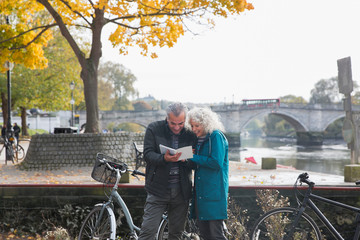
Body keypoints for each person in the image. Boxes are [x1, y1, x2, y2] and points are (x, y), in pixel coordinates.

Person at [138, 102, 197, 240]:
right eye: (172, 123)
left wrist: (187, 159)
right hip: (157, 189)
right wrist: (164, 159)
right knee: (147, 232)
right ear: (166, 118)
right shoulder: (154, 128)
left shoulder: (191, 133)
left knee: (176, 235)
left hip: (181, 191)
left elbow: (196, 163)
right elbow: (147, 154)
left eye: (180, 123)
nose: (177, 127)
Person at [185, 107, 229, 240]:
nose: (193, 129)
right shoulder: (201, 138)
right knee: (205, 234)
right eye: (192, 125)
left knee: (216, 235)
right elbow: (199, 162)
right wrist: (185, 157)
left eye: (197, 125)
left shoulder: (216, 136)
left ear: (205, 124)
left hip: (214, 192)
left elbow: (216, 163)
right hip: (202, 193)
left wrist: (192, 156)